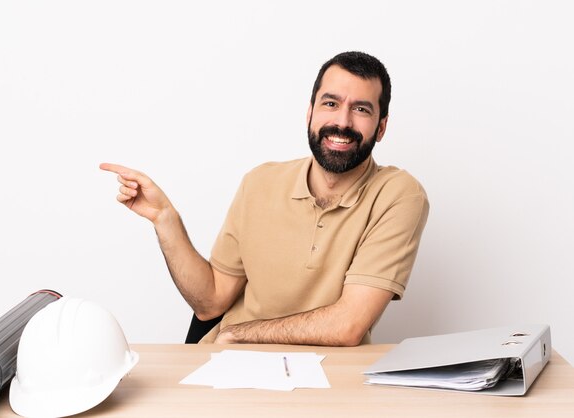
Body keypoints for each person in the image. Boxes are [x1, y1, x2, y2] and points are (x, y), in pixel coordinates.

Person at [100, 51, 429, 346]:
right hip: (229, 367)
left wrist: (239, 333)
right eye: (331, 104)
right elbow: (211, 301)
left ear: (381, 127)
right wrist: (165, 219)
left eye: (360, 109)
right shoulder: (259, 182)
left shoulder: (398, 195)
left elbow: (348, 325)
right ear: (310, 112)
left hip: (330, 379)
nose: (342, 122)